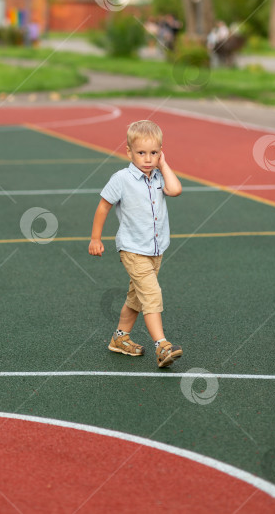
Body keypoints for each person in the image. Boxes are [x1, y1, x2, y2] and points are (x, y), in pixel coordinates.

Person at [89, 119, 183, 368]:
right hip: (132, 249)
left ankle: (119, 339)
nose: (148, 158)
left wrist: (164, 164)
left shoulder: (158, 177)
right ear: (129, 152)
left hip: (155, 249)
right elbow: (103, 207)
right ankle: (162, 345)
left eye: (154, 153)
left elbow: (175, 190)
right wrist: (96, 238)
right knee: (152, 295)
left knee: (137, 298)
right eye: (141, 153)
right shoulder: (121, 179)